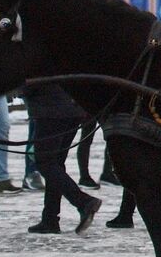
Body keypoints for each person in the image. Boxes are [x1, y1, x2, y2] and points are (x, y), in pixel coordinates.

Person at [22, 82, 103, 234]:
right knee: (56, 163)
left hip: (51, 110)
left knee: (44, 162)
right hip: (72, 110)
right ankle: (50, 218)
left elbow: (31, 84)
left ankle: (83, 202)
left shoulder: (36, 59)